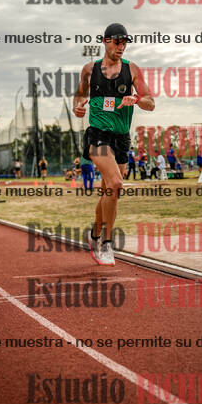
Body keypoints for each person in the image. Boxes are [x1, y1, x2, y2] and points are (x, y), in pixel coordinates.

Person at [73, 23, 155, 265]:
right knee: (117, 184)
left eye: (124, 42)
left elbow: (150, 102)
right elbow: (80, 95)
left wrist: (136, 99)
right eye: (117, 41)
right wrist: (78, 107)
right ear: (105, 41)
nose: (121, 46)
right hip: (98, 134)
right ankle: (106, 243)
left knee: (109, 190)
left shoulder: (132, 70)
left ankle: (94, 235)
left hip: (121, 137)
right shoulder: (90, 69)